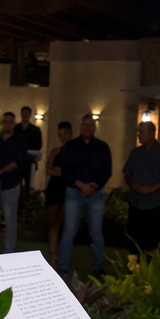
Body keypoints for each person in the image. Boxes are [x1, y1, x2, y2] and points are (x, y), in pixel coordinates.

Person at [57, 113, 113, 275]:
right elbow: (65, 171)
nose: (88, 128)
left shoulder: (103, 147)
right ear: (80, 127)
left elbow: (107, 171)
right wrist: (81, 185)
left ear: (95, 128)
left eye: (91, 125)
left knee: (96, 233)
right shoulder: (70, 146)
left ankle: (98, 267)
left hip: (96, 195)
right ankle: (63, 266)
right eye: (85, 125)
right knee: (69, 232)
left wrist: (93, 187)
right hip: (74, 193)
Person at [122, 121, 160, 252]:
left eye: (142, 132)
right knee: (134, 241)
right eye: (138, 132)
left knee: (151, 242)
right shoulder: (135, 153)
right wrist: (133, 185)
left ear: (151, 134)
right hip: (136, 203)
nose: (139, 135)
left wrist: (152, 188)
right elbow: (127, 175)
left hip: (155, 204)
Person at [0, 111, 27, 255]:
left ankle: (9, 250)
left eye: (10, 122)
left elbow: (18, 161)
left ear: (14, 124)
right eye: (5, 121)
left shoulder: (19, 141)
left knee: (10, 219)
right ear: (2, 123)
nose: (7, 124)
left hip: (10, 185)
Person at [43, 121, 73, 267]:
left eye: (65, 134)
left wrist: (60, 171)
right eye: (60, 135)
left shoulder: (75, 152)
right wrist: (63, 173)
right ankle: (53, 253)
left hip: (69, 190)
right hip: (54, 189)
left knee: (67, 224)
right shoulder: (56, 151)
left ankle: (63, 254)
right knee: (53, 222)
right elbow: (48, 170)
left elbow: (74, 173)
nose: (63, 137)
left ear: (71, 134)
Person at [16, 105, 43, 196]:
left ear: (30, 115)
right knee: (17, 183)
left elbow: (38, 145)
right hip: (18, 161)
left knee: (29, 183)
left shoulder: (35, 130)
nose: (25, 115)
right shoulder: (16, 129)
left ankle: (28, 199)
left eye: (27, 113)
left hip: (30, 161)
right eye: (23, 113)